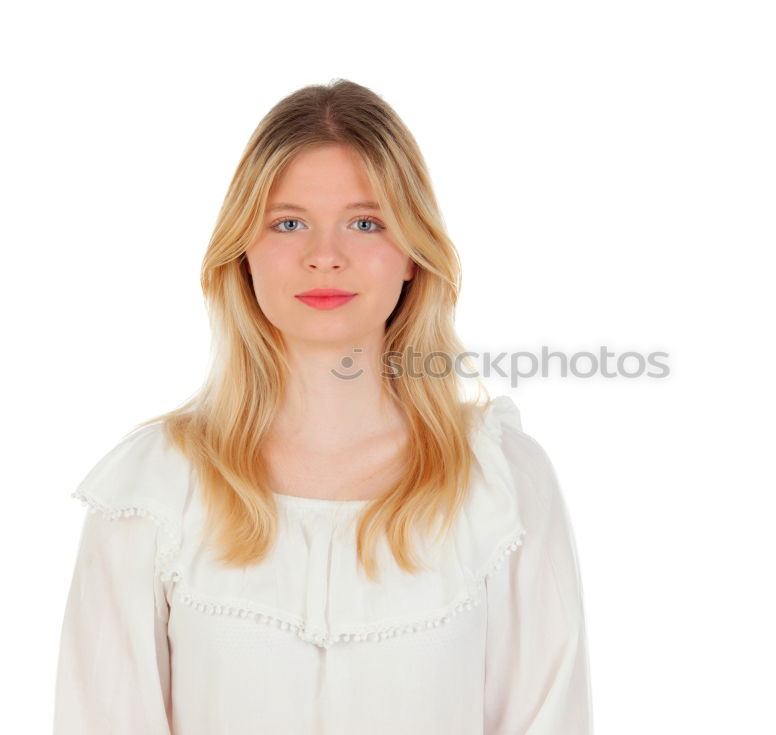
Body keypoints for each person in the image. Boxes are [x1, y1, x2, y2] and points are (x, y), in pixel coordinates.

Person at [53, 79, 593, 734]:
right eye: (288, 222)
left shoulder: (503, 486)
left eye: (365, 223)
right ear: (245, 252)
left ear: (413, 258)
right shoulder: (153, 490)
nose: (324, 257)